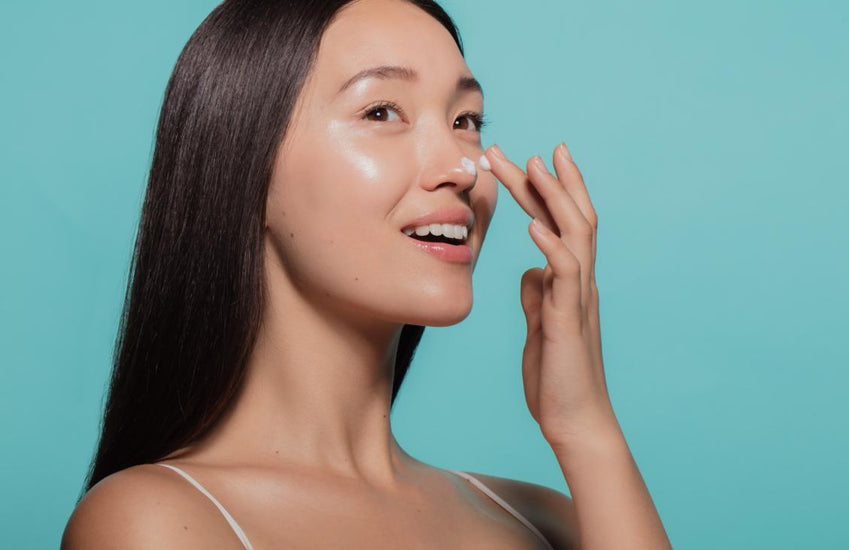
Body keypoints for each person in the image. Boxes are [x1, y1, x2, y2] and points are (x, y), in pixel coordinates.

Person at [61, 0, 672, 548]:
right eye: (382, 111)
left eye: (465, 120)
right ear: (243, 168)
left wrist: (586, 426)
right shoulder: (154, 522)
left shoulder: (547, 521)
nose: (462, 167)